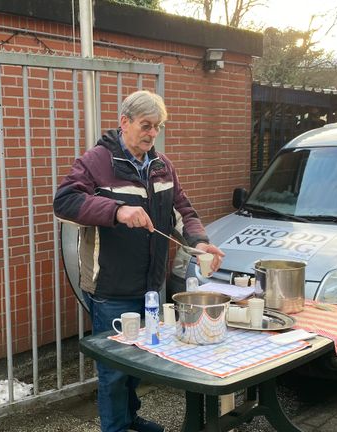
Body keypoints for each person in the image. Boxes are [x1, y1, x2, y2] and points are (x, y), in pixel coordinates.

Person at [53, 90, 224, 432]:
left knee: (139, 361)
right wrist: (117, 210)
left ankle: (130, 419)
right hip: (110, 288)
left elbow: (182, 211)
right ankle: (115, 428)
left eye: (157, 127)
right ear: (125, 122)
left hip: (150, 286)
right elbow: (64, 202)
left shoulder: (162, 166)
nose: (151, 133)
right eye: (146, 125)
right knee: (114, 370)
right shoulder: (96, 162)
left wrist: (200, 242)